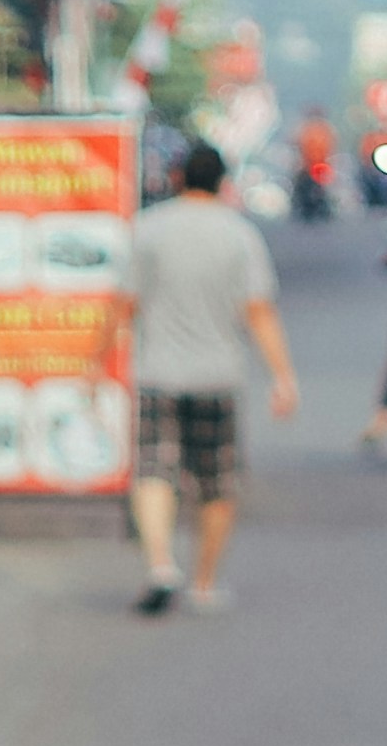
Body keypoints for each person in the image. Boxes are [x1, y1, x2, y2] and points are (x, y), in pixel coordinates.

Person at [125, 135, 296, 616]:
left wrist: (96, 366)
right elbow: (258, 312)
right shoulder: (239, 235)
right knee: (217, 485)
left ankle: (160, 563)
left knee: (153, 472)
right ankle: (203, 582)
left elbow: (126, 304)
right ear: (223, 183)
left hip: (158, 373)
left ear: (178, 178)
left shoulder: (149, 229)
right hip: (218, 378)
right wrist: (283, 378)